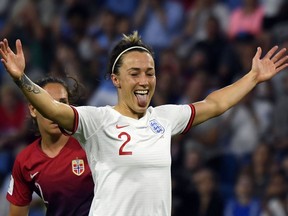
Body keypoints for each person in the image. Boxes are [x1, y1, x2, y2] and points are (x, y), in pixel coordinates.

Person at [0, 31, 287, 216]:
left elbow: (215, 104)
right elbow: (52, 107)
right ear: (116, 80)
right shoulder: (97, 121)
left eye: (150, 73)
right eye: (135, 73)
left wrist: (253, 77)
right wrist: (20, 78)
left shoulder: (164, 118)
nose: (144, 81)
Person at [5, 76, 94, 216]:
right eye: (48, 103)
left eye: (62, 103)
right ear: (33, 109)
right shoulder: (25, 161)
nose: (55, 111)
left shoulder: (91, 142)